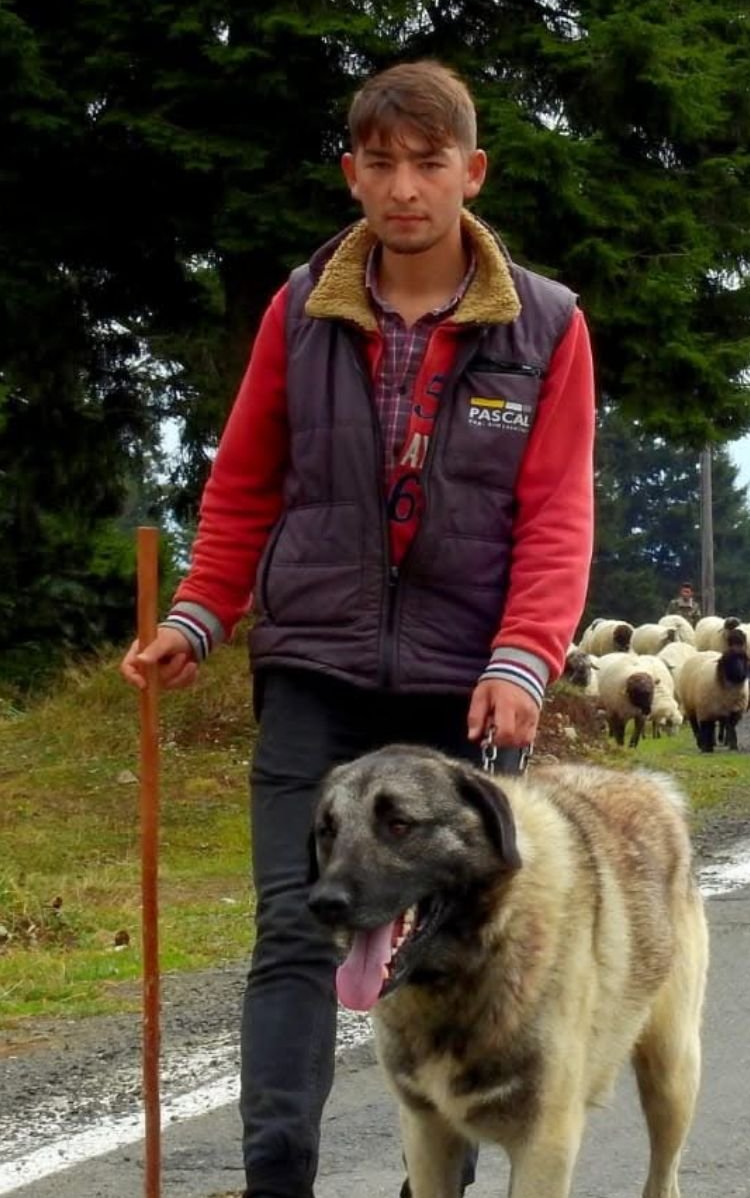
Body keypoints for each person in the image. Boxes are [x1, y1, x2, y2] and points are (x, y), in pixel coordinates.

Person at [120, 60, 595, 1198]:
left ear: (470, 173)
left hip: (463, 680)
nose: (404, 187)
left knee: (459, 943)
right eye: (380, 162)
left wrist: (523, 657)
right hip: (315, 665)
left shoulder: (545, 325)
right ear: (353, 173)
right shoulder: (302, 308)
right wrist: (198, 613)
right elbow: (243, 488)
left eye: (429, 163)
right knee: (295, 922)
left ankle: (434, 1184)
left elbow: (558, 512)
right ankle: (275, 1176)